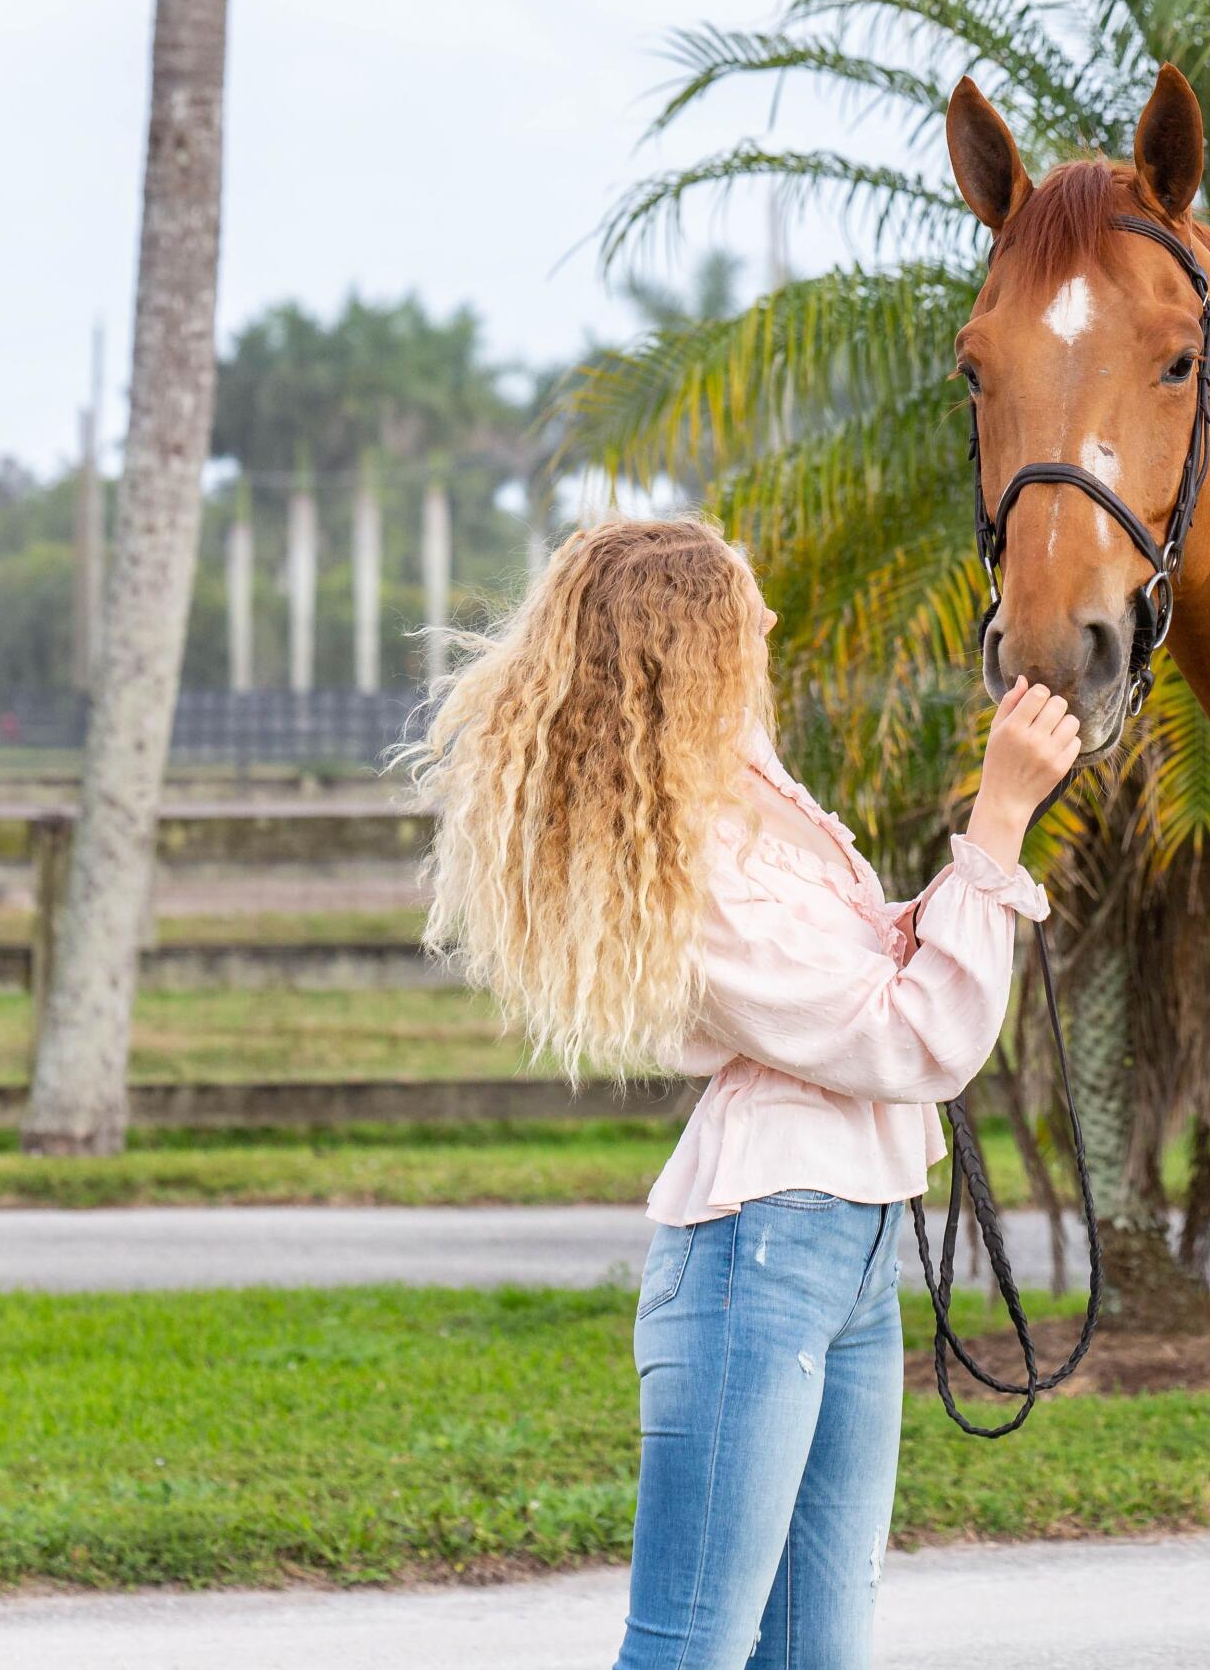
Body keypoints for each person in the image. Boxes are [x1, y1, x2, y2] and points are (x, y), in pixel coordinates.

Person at [405, 516, 1079, 1669]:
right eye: (742, 609)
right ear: (691, 646)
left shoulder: (738, 807)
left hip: (846, 1250)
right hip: (758, 1260)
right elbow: (917, 1038)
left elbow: (862, 972)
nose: (768, 623)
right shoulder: (699, 858)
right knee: (687, 1650)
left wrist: (945, 896)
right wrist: (998, 818)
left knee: (818, 1653)